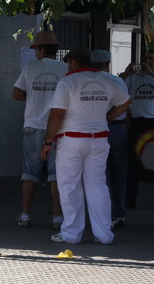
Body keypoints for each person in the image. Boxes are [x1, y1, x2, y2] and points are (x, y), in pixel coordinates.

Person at [41, 46, 131, 245]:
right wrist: (107, 117)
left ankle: (71, 234)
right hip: (98, 140)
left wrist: (47, 141)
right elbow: (126, 102)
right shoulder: (107, 81)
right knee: (98, 186)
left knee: (70, 186)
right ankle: (104, 234)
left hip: (71, 141)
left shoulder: (68, 82)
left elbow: (57, 114)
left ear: (73, 63)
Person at [12, 31, 67, 229]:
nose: (35, 52)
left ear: (42, 49)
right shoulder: (65, 69)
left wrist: (35, 97)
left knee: (29, 173)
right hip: (57, 128)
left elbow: (16, 94)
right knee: (55, 174)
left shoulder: (30, 68)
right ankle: (57, 218)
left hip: (33, 126)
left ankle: (25, 215)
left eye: (36, 49)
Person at [90, 49, 130, 229]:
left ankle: (104, 214)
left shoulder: (90, 81)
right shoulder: (117, 80)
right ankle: (119, 213)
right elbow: (128, 104)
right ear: (108, 63)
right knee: (119, 173)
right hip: (118, 129)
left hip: (99, 130)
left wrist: (105, 118)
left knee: (101, 176)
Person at [121, 50, 154, 209]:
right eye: (145, 59)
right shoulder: (133, 78)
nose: (147, 62)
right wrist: (126, 73)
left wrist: (152, 74)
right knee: (131, 162)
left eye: (150, 59)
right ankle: (129, 198)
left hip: (152, 121)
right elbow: (118, 88)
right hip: (135, 121)